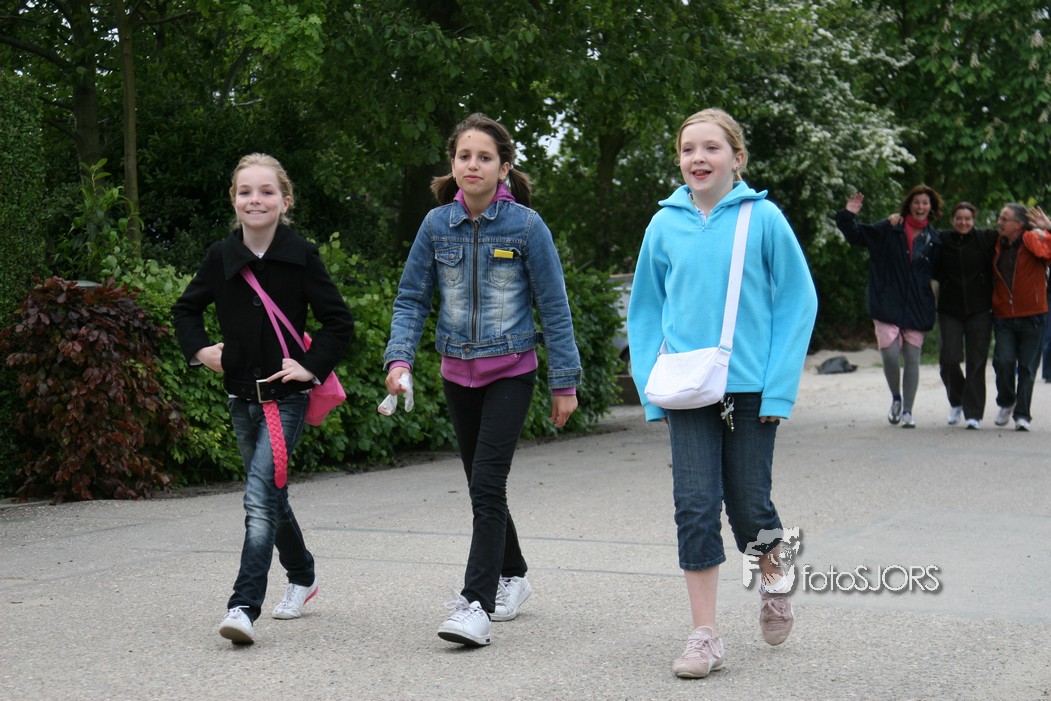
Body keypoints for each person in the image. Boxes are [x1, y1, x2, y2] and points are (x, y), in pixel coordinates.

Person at [628, 108, 817, 679]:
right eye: (688, 149)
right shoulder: (663, 225)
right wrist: (651, 389)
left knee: (750, 505)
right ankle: (704, 635)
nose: (698, 158)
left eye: (711, 147)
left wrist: (780, 390)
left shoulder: (764, 218)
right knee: (694, 504)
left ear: (737, 157)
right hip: (688, 390)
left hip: (752, 389)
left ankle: (775, 579)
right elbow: (645, 311)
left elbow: (798, 301)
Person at [382, 113, 581, 647]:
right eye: (464, 156)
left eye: (485, 157)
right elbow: (411, 299)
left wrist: (564, 383)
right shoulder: (435, 226)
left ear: (504, 167)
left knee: (488, 485)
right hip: (456, 374)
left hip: (511, 371)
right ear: (453, 165)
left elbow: (554, 306)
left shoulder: (526, 227)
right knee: (481, 485)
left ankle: (476, 602)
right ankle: (513, 574)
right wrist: (399, 362)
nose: (473, 165)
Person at [172, 153, 354, 644]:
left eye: (267, 191)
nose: (256, 200)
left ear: (285, 201)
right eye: (246, 191)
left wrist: (310, 366)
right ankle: (303, 575)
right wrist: (201, 351)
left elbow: (339, 322)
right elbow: (185, 311)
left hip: (285, 400)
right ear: (233, 199)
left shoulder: (302, 255)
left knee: (257, 498)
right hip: (239, 397)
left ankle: (242, 605)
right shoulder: (220, 256)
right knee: (272, 494)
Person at [836, 186, 942, 428]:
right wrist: (848, 215)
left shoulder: (935, 240)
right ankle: (896, 398)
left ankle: (908, 412)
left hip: (917, 306)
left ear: (931, 208)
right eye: (917, 202)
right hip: (886, 302)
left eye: (925, 203)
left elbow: (940, 273)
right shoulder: (890, 227)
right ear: (909, 204)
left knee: (913, 358)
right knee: (891, 356)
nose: (921, 206)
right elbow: (857, 236)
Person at [929, 202, 997, 429]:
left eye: (967, 219)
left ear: (974, 220)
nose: (963, 222)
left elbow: (1012, 236)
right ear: (952, 220)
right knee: (948, 359)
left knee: (976, 362)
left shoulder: (985, 238)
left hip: (980, 310)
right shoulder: (942, 239)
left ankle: (973, 414)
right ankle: (956, 400)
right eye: (959, 218)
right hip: (949, 309)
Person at [990, 204, 1051, 431]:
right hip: (1004, 315)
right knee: (1003, 361)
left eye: (1004, 219)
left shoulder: (1031, 239)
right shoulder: (996, 243)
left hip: (1033, 315)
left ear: (1018, 224)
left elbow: (1048, 252)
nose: (999, 222)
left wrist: (1049, 228)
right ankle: (1007, 401)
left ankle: (1022, 415)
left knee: (1027, 367)